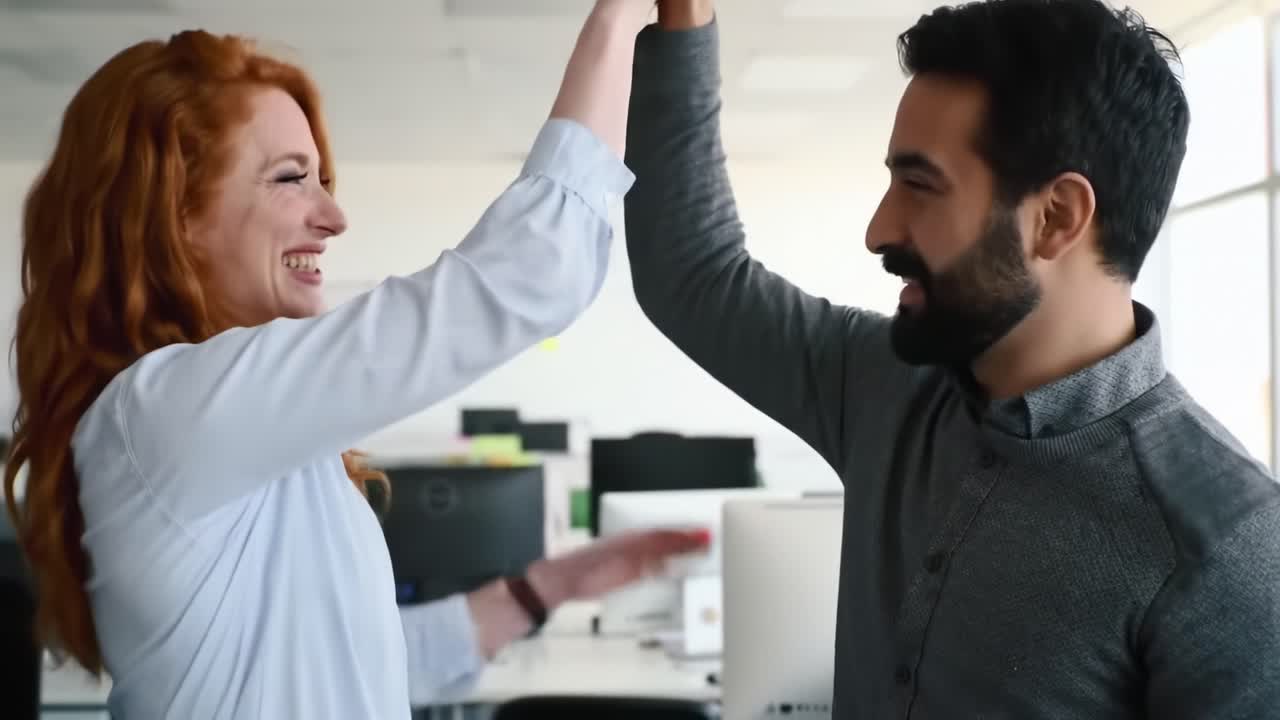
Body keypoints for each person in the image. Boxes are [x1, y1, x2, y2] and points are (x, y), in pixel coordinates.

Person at [1, 1, 713, 718]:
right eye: (289, 179)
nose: (334, 217)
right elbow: (531, 270)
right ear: (173, 216)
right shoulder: (163, 410)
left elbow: (349, 660)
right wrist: (623, 16)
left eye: (324, 181)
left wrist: (549, 587)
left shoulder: (256, 444)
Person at [626, 1, 1280, 718]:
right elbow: (691, 271)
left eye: (920, 185)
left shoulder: (1222, 546)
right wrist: (683, 14)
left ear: (1056, 217)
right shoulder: (885, 387)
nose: (879, 230)